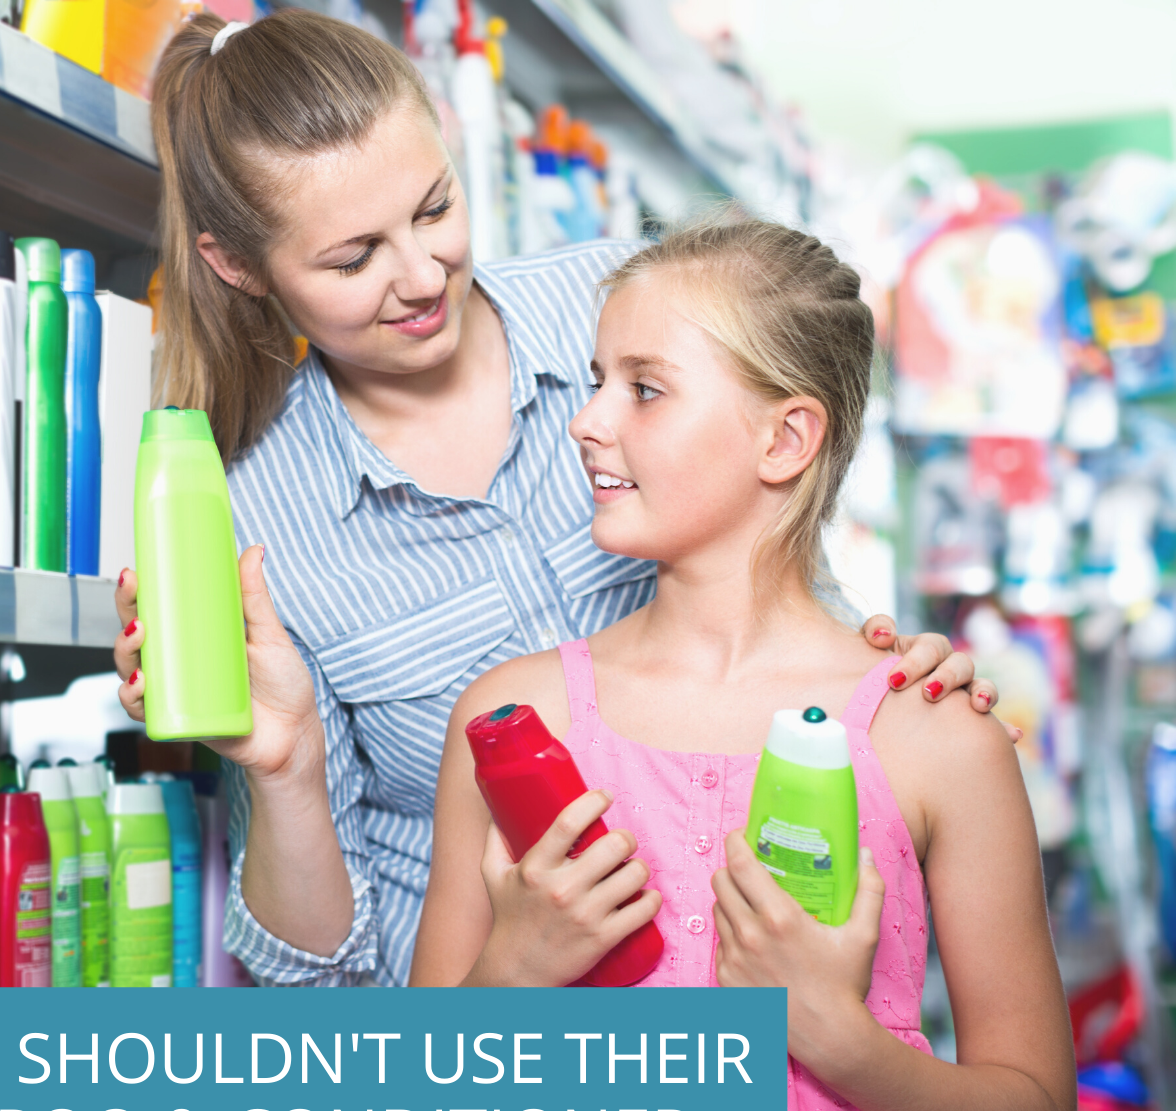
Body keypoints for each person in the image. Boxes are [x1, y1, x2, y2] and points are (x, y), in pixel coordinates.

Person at [113, 8, 1000, 988]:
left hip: (769, 1000)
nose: (420, 276)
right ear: (237, 265)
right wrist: (282, 770)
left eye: (435, 208)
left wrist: (877, 672)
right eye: (353, 257)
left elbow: (775, 550)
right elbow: (326, 978)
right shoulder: (255, 516)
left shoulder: (619, 306)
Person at [407, 219, 1074, 1111]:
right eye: (596, 380)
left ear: (784, 438)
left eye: (644, 387)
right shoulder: (514, 720)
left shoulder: (933, 731)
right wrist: (510, 970)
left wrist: (841, 1040)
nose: (587, 420)